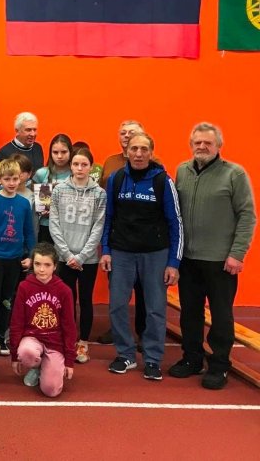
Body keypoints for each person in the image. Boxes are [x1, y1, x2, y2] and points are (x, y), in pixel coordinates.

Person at [171, 122, 256, 389]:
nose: (202, 147)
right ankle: (192, 358)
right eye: (197, 142)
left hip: (221, 261)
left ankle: (219, 365)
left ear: (218, 145)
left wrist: (237, 253)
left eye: (207, 143)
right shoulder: (182, 171)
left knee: (221, 316)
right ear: (191, 145)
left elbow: (247, 215)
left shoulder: (234, 174)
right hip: (188, 260)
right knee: (190, 313)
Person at [101, 132, 182, 381]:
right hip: (121, 253)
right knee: (117, 306)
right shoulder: (116, 179)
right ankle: (125, 354)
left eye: (144, 149)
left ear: (151, 152)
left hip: (155, 254)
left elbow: (176, 223)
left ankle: (153, 358)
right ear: (127, 151)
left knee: (155, 309)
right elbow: (109, 218)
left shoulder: (163, 181)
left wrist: (174, 262)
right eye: (134, 148)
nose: (138, 153)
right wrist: (106, 250)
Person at [96, 120, 156, 346]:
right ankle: (117, 330)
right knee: (117, 288)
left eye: (132, 132)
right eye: (123, 133)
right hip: (117, 234)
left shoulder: (155, 164)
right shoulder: (110, 162)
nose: (127, 136)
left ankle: (143, 332)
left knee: (144, 290)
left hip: (145, 238)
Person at [49, 148, 105, 364]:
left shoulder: (99, 194)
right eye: (76, 164)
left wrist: (81, 256)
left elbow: (98, 227)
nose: (80, 168)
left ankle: (83, 342)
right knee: (67, 299)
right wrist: (66, 253)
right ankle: (68, 338)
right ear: (70, 166)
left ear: (91, 167)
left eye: (84, 164)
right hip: (64, 256)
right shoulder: (59, 190)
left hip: (87, 259)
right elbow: (54, 223)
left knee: (86, 299)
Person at [0, 158, 36, 356]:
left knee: (7, 300)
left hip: (15, 260)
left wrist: (31, 256)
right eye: (7, 179)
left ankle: (2, 336)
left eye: (15, 179)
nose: (11, 183)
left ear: (20, 179)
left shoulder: (24, 203)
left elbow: (29, 231)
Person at [10, 243, 76, 397]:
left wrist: (69, 361)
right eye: (37, 264)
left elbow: (69, 327)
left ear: (55, 266)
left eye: (47, 265)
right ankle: (36, 367)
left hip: (55, 343)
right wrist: (14, 356)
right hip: (32, 338)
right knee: (26, 353)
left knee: (51, 391)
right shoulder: (24, 287)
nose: (41, 269)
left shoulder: (64, 291)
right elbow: (17, 322)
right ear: (32, 264)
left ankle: (46, 368)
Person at [33, 133, 73, 243]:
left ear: (70, 152)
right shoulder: (42, 173)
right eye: (55, 152)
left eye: (64, 152)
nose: (59, 156)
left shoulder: (75, 174)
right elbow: (40, 208)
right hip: (46, 226)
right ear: (50, 153)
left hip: (68, 227)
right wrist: (43, 207)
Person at [0, 112, 44, 176]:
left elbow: (41, 177)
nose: (33, 134)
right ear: (17, 131)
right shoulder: (4, 153)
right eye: (28, 130)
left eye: (34, 130)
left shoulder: (38, 148)